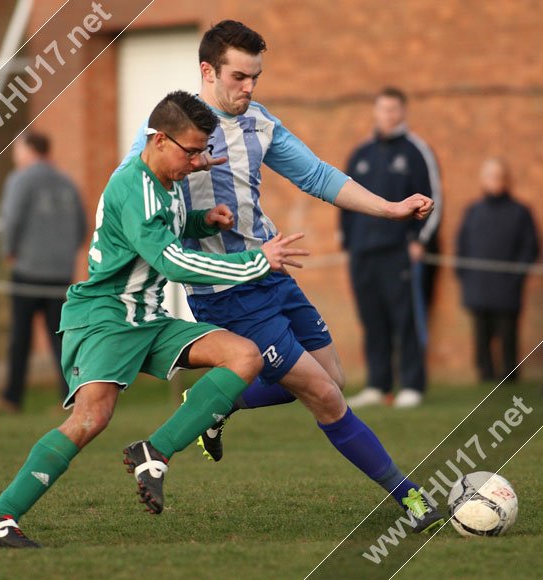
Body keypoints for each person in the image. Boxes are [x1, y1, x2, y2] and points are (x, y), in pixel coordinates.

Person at [121, 21, 444, 532]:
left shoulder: (259, 123)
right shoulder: (164, 141)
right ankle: (412, 499)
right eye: (239, 76)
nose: (249, 88)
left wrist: (389, 208)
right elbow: (139, 215)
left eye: (256, 77)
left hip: (273, 272)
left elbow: (316, 175)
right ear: (207, 71)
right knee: (327, 396)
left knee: (331, 378)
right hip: (227, 293)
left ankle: (215, 403)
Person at [0, 91, 308, 548]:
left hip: (148, 318)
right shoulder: (132, 185)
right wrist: (255, 262)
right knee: (92, 419)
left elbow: (162, 230)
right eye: (190, 152)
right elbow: (171, 261)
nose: (196, 162)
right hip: (105, 317)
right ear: (159, 139)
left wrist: (204, 222)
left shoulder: (166, 183)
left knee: (243, 356)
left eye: (201, 152)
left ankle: (156, 451)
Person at [341, 87, 442, 409]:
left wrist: (419, 240)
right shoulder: (361, 154)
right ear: (375, 112)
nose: (388, 115)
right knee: (372, 319)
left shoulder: (416, 151)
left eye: (394, 109)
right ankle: (377, 384)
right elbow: (343, 199)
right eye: (383, 109)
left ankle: (412, 384)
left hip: (399, 251)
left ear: (403, 112)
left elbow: (433, 200)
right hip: (362, 252)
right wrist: (346, 240)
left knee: (405, 318)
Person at [0, 132, 87, 413]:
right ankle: (71, 397)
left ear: (29, 151)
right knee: (61, 338)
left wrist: (9, 250)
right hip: (60, 273)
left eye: (18, 149)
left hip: (28, 271)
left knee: (20, 338)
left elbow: (11, 219)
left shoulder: (20, 179)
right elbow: (81, 227)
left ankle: (12, 397)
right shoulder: (67, 182)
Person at [456, 157, 539, 382]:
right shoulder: (473, 211)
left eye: (499, 177)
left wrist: (516, 276)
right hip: (478, 286)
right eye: (490, 176)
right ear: (482, 180)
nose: (495, 181)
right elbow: (462, 246)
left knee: (508, 334)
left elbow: (530, 246)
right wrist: (466, 277)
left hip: (506, 288)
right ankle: (486, 376)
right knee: (482, 335)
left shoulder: (520, 212)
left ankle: (510, 376)